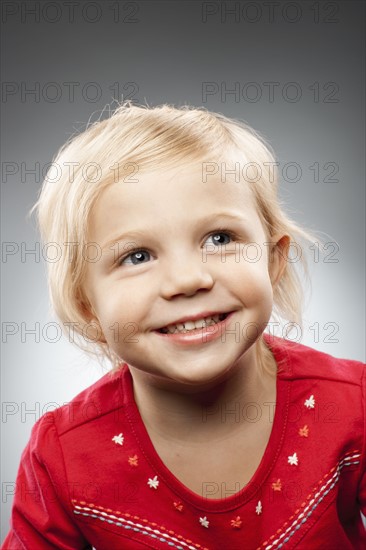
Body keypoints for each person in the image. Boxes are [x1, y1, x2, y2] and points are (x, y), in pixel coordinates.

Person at [2, 101, 365, 549]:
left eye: (220, 239)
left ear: (273, 259)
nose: (188, 280)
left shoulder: (352, 405)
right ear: (88, 307)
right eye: (137, 256)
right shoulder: (62, 456)